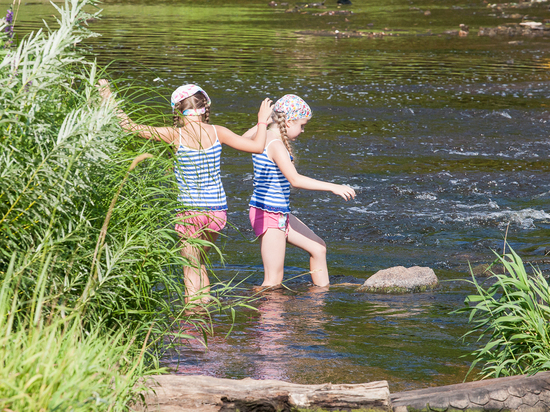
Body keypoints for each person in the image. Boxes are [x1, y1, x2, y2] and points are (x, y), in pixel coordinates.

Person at [98, 79, 273, 302]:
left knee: (190, 271)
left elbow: (128, 126)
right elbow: (258, 147)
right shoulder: (218, 132)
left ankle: (191, 327)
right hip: (216, 213)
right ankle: (206, 320)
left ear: (177, 111)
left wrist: (107, 94)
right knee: (200, 264)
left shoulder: (174, 135)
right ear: (206, 108)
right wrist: (261, 122)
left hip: (190, 213)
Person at [248, 94, 356, 287]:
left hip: (278, 212)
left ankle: (320, 297)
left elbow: (242, 138)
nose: (303, 130)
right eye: (302, 125)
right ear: (289, 121)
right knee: (273, 281)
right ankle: (263, 314)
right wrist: (333, 187)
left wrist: (265, 121)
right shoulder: (274, 144)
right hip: (269, 214)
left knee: (318, 247)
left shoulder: (264, 135)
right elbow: (295, 179)